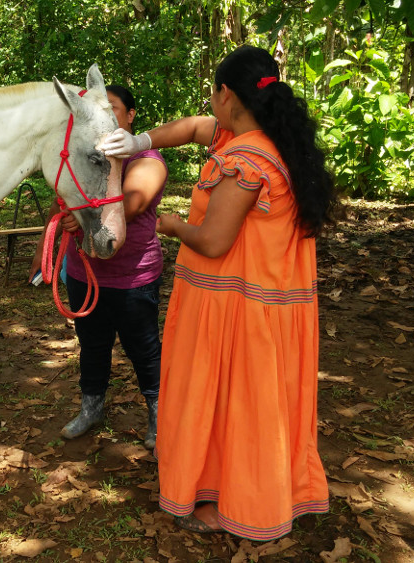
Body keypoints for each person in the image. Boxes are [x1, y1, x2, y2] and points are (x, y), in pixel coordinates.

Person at [100, 45, 338, 540]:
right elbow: (190, 128)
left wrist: (169, 225)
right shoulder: (273, 139)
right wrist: (138, 138)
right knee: (251, 404)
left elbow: (213, 240)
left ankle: (240, 504)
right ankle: (246, 488)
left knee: (239, 405)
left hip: (238, 309)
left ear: (226, 94)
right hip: (267, 302)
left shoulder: (246, 159)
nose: (210, 106)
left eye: (213, 95)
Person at [29, 85, 167, 450]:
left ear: (131, 116)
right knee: (91, 345)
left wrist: (82, 212)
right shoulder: (85, 155)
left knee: (144, 349)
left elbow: (133, 203)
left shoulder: (148, 159)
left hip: (132, 276)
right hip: (84, 271)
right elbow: (64, 195)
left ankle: (158, 415)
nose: (107, 119)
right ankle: (91, 408)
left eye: (115, 110)